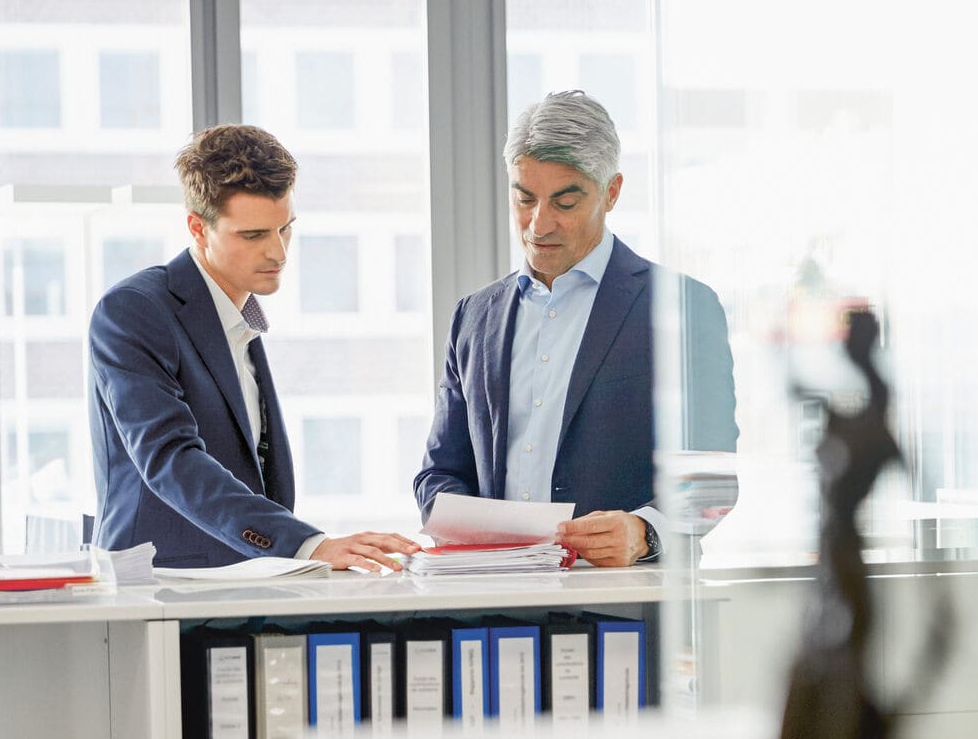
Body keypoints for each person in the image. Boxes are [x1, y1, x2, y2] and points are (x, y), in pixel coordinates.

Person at [412, 90, 736, 566]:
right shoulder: (473, 317)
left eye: (565, 201)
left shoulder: (683, 308)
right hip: (492, 600)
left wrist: (646, 532)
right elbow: (439, 472)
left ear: (612, 191)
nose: (539, 224)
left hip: (623, 602)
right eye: (525, 198)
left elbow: (713, 480)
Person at [89, 124, 421, 571]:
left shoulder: (239, 316)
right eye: (254, 235)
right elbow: (171, 461)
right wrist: (308, 545)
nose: (279, 253)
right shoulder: (134, 311)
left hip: (244, 580)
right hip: (162, 582)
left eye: (285, 229)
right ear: (198, 228)